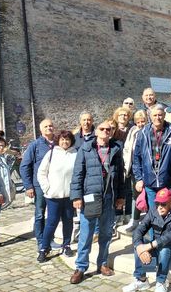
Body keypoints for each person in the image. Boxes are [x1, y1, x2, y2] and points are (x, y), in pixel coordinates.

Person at [69, 120, 125, 284]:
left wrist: (121, 196)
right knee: (86, 234)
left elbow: (120, 175)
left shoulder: (116, 149)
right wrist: (77, 197)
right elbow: (77, 174)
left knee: (106, 234)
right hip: (89, 197)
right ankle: (80, 267)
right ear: (96, 131)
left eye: (108, 129)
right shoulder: (85, 149)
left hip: (109, 197)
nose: (105, 131)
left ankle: (102, 263)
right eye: (102, 129)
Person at [124, 188, 171, 292]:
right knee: (139, 244)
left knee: (165, 247)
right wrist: (140, 247)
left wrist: (150, 246)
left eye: (163, 204)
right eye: (158, 203)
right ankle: (141, 280)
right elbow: (139, 230)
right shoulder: (153, 211)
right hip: (158, 251)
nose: (160, 207)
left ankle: (161, 282)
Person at [132, 104, 171, 209]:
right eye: (155, 115)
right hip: (149, 182)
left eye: (160, 115)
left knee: (170, 214)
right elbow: (136, 158)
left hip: (168, 181)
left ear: (164, 115)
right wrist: (138, 179)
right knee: (154, 215)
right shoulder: (142, 133)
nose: (157, 118)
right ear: (150, 116)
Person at [37, 130, 78, 262]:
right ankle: (44, 247)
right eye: (62, 139)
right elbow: (41, 173)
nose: (65, 142)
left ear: (71, 141)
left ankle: (66, 245)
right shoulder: (51, 153)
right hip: (53, 196)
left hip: (69, 196)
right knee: (51, 222)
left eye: (67, 139)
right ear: (58, 141)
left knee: (68, 222)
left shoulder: (75, 154)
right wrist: (47, 188)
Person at [20, 118, 56, 250]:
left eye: (51, 126)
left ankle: (50, 239)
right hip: (39, 186)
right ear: (41, 130)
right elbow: (24, 166)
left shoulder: (58, 143)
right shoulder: (35, 145)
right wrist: (28, 186)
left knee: (53, 214)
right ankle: (40, 241)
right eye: (46, 126)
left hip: (55, 185)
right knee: (40, 213)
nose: (49, 128)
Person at [122, 109, 148, 232]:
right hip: (134, 168)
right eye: (138, 122)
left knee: (149, 194)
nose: (141, 124)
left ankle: (149, 221)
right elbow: (127, 149)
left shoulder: (149, 132)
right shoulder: (133, 131)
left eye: (143, 121)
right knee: (135, 194)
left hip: (148, 168)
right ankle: (135, 219)